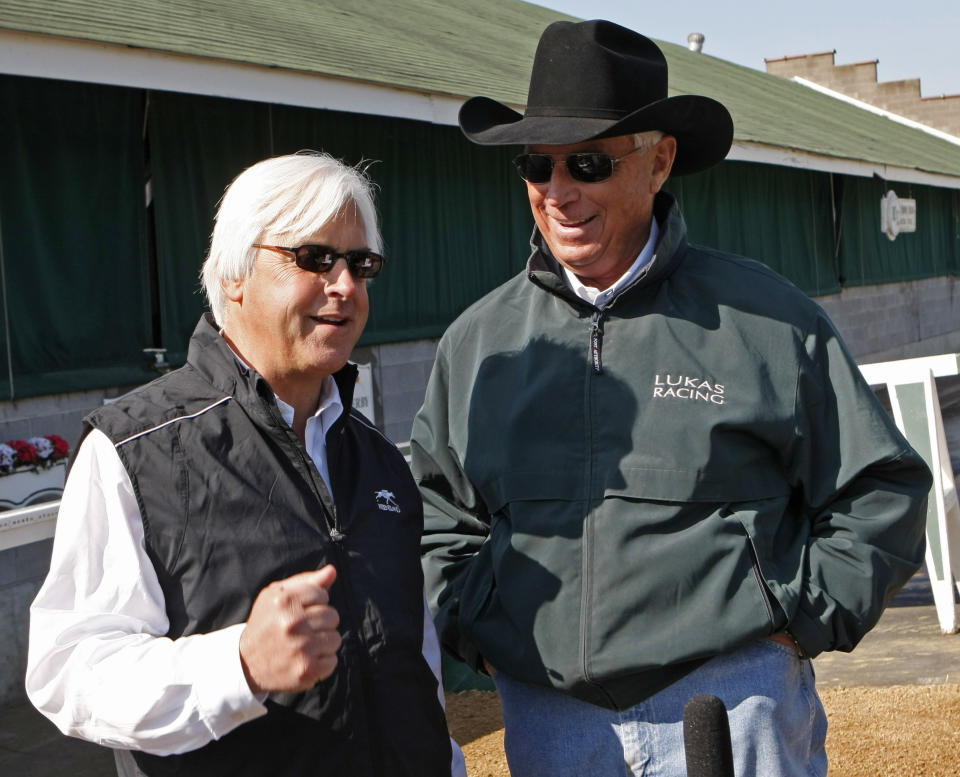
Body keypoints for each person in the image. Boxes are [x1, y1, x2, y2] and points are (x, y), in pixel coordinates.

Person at [412, 20, 931, 777]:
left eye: (587, 163)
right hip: (551, 717)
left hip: (733, 699)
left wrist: (793, 616)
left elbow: (881, 489)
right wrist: (482, 629)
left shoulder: (767, 320)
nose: (559, 192)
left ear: (659, 164)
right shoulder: (478, 342)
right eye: (537, 164)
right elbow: (438, 516)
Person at [27, 152, 465, 777]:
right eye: (314, 259)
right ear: (235, 274)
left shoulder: (378, 461)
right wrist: (239, 664)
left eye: (361, 264)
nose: (344, 285)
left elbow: (413, 662)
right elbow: (69, 669)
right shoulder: (135, 449)